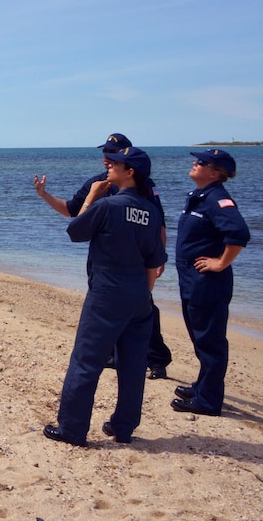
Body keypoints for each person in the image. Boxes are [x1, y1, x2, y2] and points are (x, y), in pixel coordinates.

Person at [44, 147, 167, 446]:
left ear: (130, 172)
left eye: (118, 164)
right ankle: (123, 428)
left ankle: (71, 430)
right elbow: (154, 261)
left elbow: (75, 230)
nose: (110, 166)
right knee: (133, 364)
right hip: (139, 294)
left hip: (108, 293)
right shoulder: (150, 211)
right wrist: (143, 297)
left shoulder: (108, 205)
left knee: (86, 361)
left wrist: (90, 198)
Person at [34, 133, 173, 379]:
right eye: (105, 153)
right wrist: (45, 195)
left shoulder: (143, 185)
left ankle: (156, 359)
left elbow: (157, 222)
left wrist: (159, 257)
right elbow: (71, 211)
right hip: (104, 264)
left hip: (136, 262)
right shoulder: (97, 184)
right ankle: (112, 356)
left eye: (113, 155)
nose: (107, 159)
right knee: (104, 312)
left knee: (145, 307)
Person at [171, 149, 251, 417]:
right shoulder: (200, 196)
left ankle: (208, 401)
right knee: (200, 336)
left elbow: (238, 233)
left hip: (208, 282)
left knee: (210, 340)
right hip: (192, 279)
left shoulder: (218, 198)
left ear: (215, 173)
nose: (195, 163)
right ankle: (204, 386)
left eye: (201, 162)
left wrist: (221, 262)